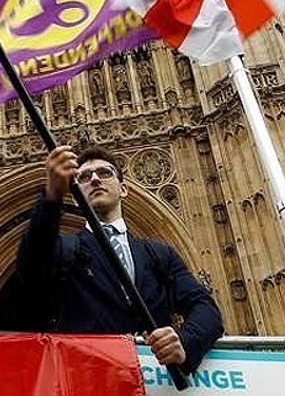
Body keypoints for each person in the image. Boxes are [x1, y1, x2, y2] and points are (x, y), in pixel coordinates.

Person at [16, 144, 224, 374]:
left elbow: (206, 309)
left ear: (123, 189)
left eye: (105, 173)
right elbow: (31, 265)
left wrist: (184, 343)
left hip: (155, 380)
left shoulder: (157, 253)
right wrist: (51, 195)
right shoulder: (65, 250)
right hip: (90, 378)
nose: (95, 179)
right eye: (84, 177)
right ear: (75, 199)